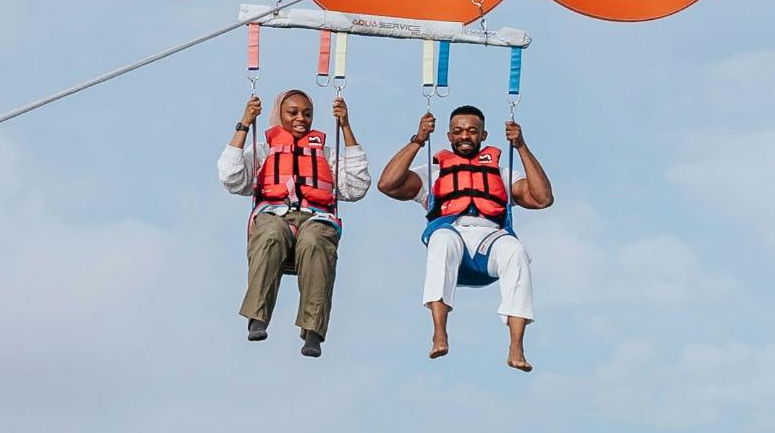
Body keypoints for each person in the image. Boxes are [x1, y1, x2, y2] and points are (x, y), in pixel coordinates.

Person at [378, 105, 552, 369]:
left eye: (472, 131)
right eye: (458, 131)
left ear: (483, 136)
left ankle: (516, 346)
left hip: (489, 241)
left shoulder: (501, 174)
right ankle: (439, 332)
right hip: (452, 236)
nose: (465, 136)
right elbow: (387, 184)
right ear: (449, 135)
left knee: (516, 251)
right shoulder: (434, 173)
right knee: (441, 240)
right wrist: (418, 140)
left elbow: (542, 199)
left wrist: (522, 147)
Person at [218, 87, 369, 355]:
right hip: (274, 214)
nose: (301, 118)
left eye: (307, 114)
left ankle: (313, 331)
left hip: (316, 217)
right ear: (279, 114)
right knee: (271, 234)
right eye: (293, 112)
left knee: (315, 242)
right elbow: (231, 177)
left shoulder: (325, 153)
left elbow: (356, 186)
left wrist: (345, 126)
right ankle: (258, 315)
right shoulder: (264, 151)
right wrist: (244, 123)